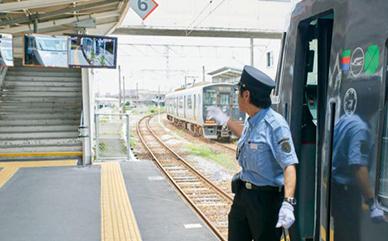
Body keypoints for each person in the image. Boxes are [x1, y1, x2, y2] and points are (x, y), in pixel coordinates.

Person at [207, 65, 298, 241]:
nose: (237, 96)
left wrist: (288, 203)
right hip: (244, 195)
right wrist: (225, 120)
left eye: (238, 92)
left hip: (266, 201)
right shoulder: (253, 119)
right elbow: (249, 138)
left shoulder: (276, 125)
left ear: (246, 95)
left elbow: (289, 165)